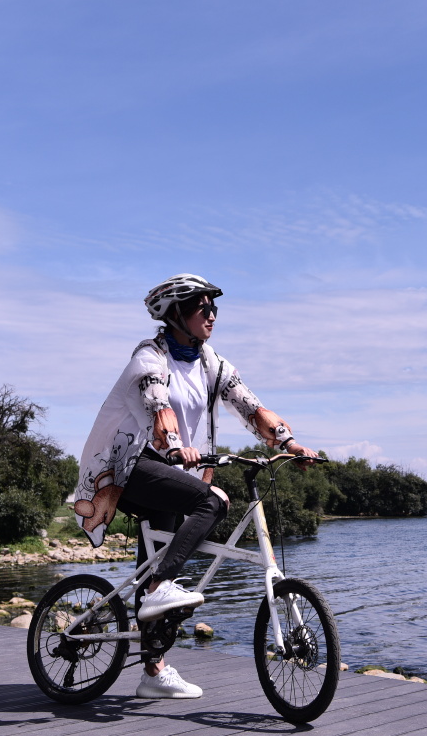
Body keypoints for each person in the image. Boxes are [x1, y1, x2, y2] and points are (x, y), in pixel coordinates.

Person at [73, 273, 317, 699]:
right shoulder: (150, 357)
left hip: (173, 471)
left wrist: (288, 443)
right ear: (175, 314)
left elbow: (250, 405)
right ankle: (158, 588)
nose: (212, 316)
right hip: (130, 466)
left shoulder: (211, 363)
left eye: (214, 308)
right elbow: (157, 404)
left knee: (160, 559)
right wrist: (173, 445)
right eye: (204, 308)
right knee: (214, 502)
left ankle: (153, 671)